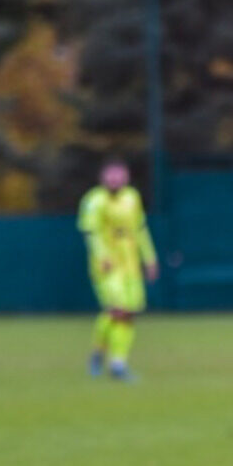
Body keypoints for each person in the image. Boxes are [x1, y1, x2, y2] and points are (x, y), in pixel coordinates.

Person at [78, 158, 159, 382]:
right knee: (117, 310)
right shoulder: (94, 200)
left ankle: (117, 364)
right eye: (110, 174)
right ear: (102, 177)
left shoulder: (132, 197)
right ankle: (100, 354)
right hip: (107, 266)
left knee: (129, 314)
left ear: (126, 177)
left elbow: (140, 229)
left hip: (130, 264)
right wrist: (102, 256)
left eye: (119, 174)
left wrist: (150, 258)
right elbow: (90, 232)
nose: (114, 179)